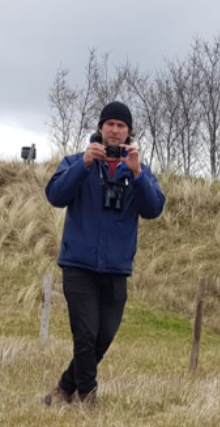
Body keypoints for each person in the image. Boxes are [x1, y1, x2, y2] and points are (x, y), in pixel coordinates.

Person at [42, 101, 166, 407]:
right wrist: (83, 164)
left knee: (103, 336)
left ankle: (62, 389)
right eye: (109, 124)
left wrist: (137, 175)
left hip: (115, 267)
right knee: (84, 334)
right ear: (100, 128)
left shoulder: (139, 170)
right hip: (79, 264)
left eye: (121, 125)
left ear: (129, 132)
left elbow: (154, 209)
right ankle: (87, 396)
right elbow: (55, 195)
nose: (114, 130)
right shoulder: (75, 162)